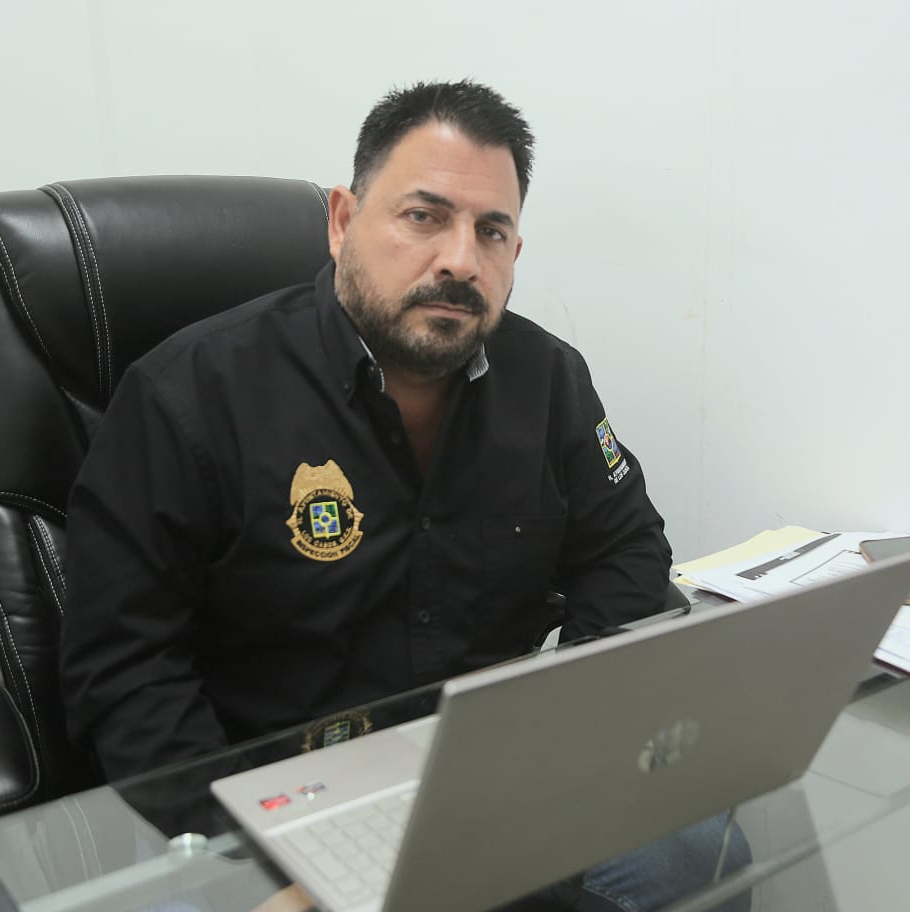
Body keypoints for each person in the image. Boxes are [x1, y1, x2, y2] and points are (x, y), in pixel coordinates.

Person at [61, 80, 749, 911]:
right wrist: (249, 856)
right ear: (343, 221)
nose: (460, 260)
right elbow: (126, 669)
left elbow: (625, 550)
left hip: (484, 781)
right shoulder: (188, 396)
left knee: (698, 851)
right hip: (273, 802)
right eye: (424, 216)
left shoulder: (547, 380)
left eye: (490, 231)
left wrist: (566, 731)